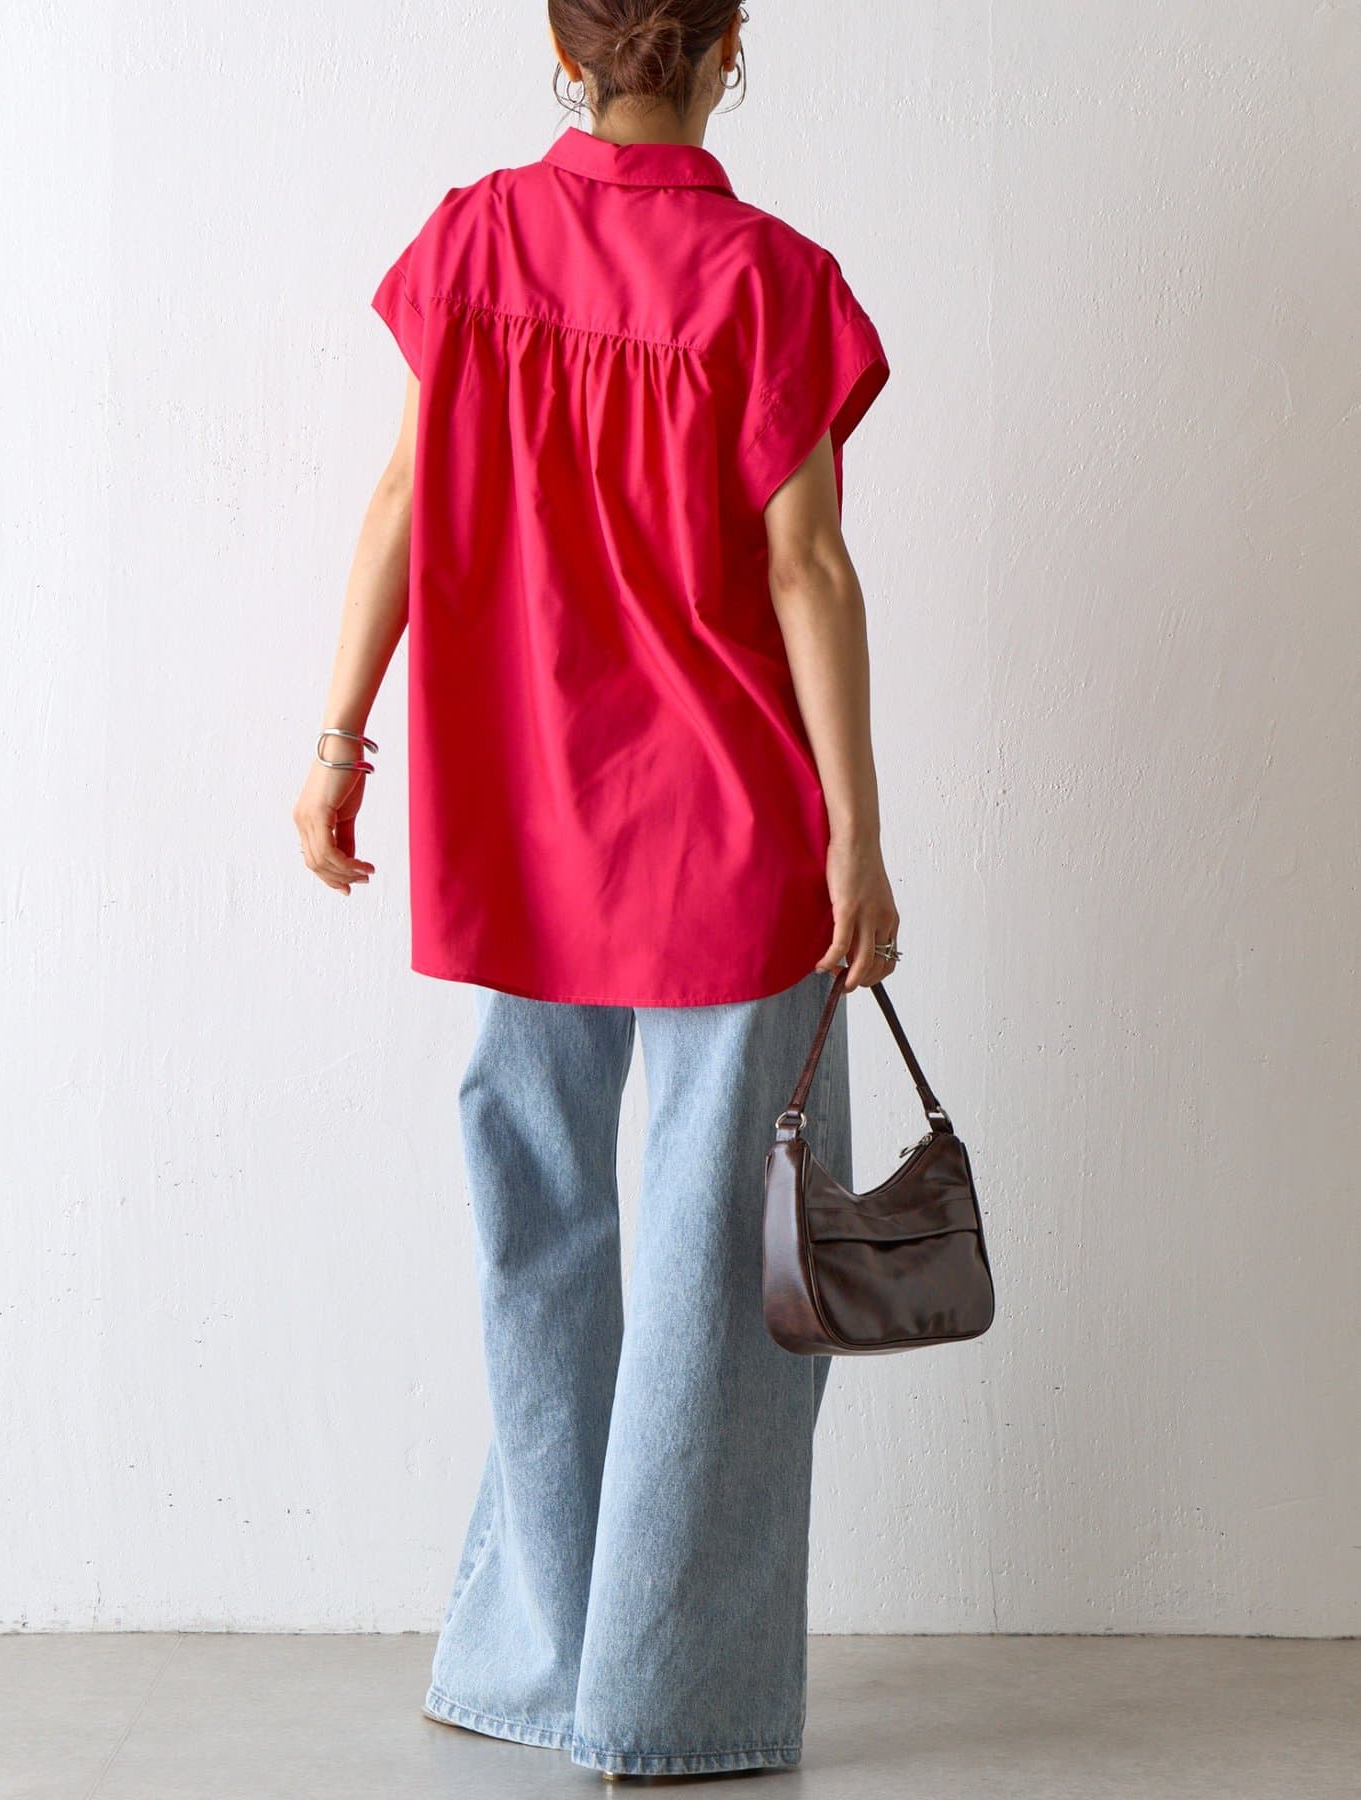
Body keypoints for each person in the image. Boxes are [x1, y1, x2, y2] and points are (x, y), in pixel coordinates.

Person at [292, 1, 900, 1780]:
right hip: (729, 834)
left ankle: (538, 1656)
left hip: (525, 819)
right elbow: (809, 570)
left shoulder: (477, 243)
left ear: (568, 49)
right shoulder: (773, 283)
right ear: (728, 47)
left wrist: (338, 741)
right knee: (726, 1275)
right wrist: (858, 832)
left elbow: (400, 497)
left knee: (537, 1226)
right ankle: (662, 1704)